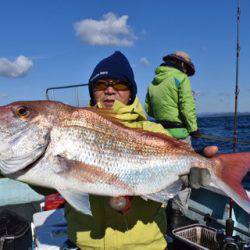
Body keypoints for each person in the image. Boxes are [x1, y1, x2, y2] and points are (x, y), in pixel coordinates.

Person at [30, 51, 217, 249]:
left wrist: (186, 177)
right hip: (87, 245)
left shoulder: (155, 131)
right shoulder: (73, 127)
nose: (110, 90)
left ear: (131, 93)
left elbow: (171, 173)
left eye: (119, 84)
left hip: (147, 245)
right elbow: (48, 182)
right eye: (101, 84)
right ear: (92, 91)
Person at [145, 51, 200, 141]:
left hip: (160, 133)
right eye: (186, 68)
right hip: (179, 133)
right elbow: (186, 107)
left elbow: (149, 110)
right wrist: (193, 129)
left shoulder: (153, 82)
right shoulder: (182, 78)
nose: (186, 72)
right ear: (182, 64)